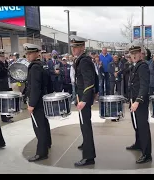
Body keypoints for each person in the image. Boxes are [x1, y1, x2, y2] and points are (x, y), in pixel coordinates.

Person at [70, 35, 98, 166]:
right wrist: (96, 92)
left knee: (85, 126)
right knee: (84, 125)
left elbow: (89, 81)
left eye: (76, 47)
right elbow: (95, 77)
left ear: (82, 47)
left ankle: (89, 157)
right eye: (72, 47)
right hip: (81, 96)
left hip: (83, 98)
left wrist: (84, 100)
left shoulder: (84, 61)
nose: (73, 49)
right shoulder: (82, 60)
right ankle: (86, 145)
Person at [23, 43, 52, 162]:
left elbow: (35, 87)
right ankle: (47, 143)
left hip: (37, 101)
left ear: (36, 53)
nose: (28, 56)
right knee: (44, 124)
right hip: (43, 99)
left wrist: (32, 104)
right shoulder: (42, 65)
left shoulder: (34, 67)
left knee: (39, 127)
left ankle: (41, 153)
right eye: (27, 54)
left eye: (30, 53)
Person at [126, 42, 152, 164]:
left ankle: (147, 154)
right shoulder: (134, 65)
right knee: (136, 125)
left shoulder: (143, 66)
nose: (134, 55)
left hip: (139, 102)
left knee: (142, 126)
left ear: (140, 54)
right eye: (132, 53)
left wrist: (137, 101)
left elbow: (144, 85)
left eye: (136, 53)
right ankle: (138, 143)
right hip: (133, 100)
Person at [0, 49, 13, 123]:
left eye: (3, 56)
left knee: (7, 100)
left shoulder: (5, 63)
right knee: (3, 101)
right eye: (1, 56)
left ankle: (7, 114)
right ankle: (4, 117)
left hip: (5, 83)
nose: (3, 57)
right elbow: (0, 74)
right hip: (1, 84)